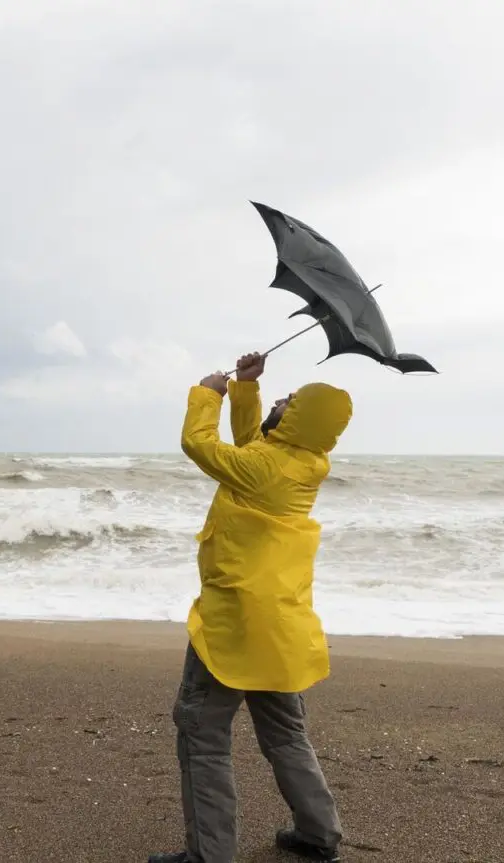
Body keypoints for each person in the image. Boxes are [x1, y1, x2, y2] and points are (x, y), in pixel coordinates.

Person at [148, 352, 353, 863]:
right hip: (282, 626)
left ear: (301, 420)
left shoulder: (264, 468)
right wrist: (246, 389)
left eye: (291, 401)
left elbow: (199, 444)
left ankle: (208, 855)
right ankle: (318, 832)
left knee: (201, 730)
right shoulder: (302, 461)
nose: (283, 399)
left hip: (235, 623)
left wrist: (208, 394)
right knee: (285, 732)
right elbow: (252, 447)